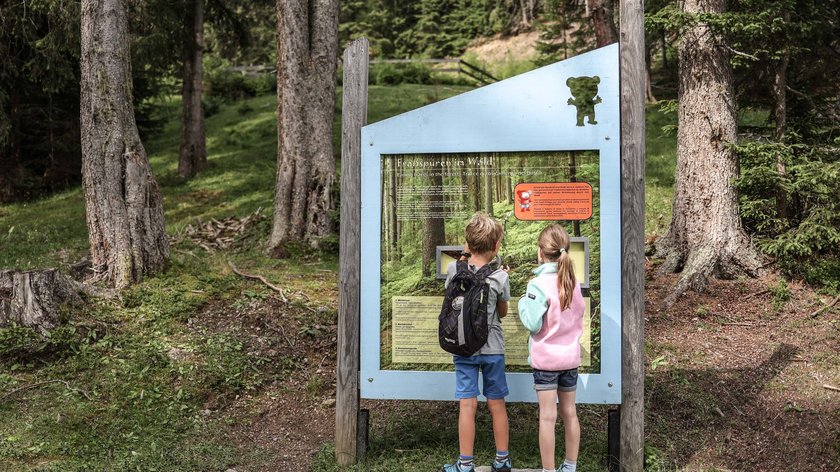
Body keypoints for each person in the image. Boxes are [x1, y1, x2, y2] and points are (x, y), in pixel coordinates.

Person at [441, 212, 512, 472]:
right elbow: (502, 312)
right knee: (497, 404)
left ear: (468, 244)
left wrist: (464, 255)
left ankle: (465, 463)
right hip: (493, 348)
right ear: (496, 246)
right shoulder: (499, 277)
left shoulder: (453, 270)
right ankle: (502, 460)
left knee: (467, 405)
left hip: (463, 347)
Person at [518, 224, 584, 472]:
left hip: (546, 363)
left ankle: (548, 470)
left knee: (547, 417)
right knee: (570, 413)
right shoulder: (573, 283)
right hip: (570, 360)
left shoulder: (537, 284)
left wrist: (522, 303)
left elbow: (533, 324)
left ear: (540, 252)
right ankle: (570, 466)